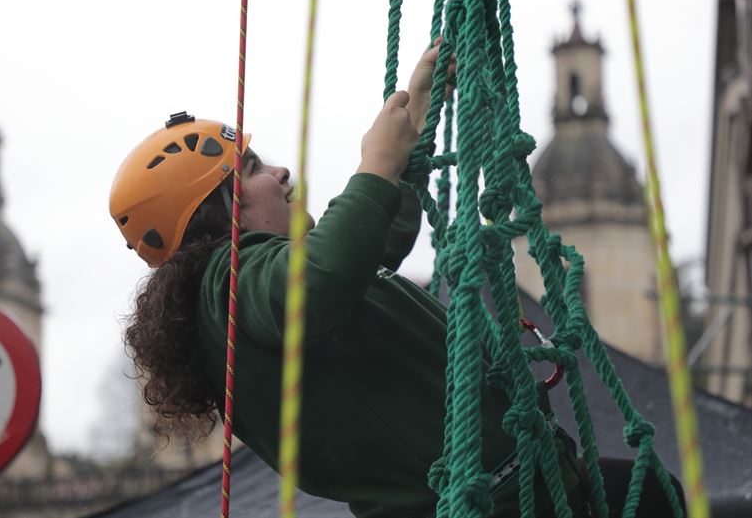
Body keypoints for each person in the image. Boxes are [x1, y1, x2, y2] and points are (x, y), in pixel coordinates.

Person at [109, 43, 684, 518]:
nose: (281, 172)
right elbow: (324, 275)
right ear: (220, 210)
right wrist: (374, 166)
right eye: (254, 169)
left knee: (652, 492)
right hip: (487, 502)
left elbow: (361, 249)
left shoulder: (257, 293)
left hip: (513, 486)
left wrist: (412, 131)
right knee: (652, 496)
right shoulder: (230, 288)